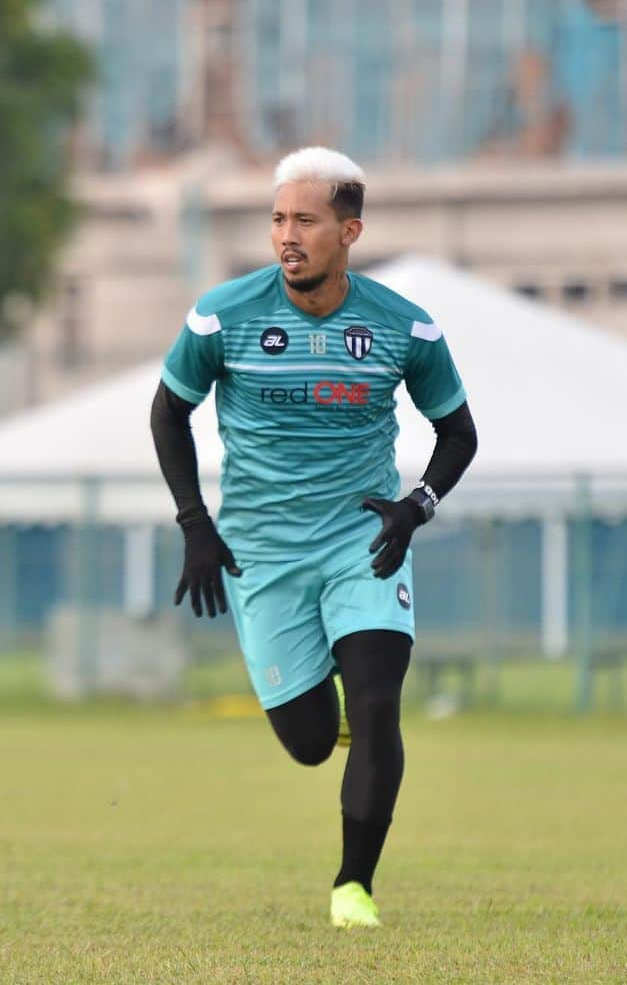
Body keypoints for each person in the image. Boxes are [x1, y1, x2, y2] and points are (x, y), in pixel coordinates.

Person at [149, 147, 478, 928]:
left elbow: (458, 433)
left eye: (305, 220)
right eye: (277, 219)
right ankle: (326, 706)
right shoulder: (221, 315)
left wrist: (417, 505)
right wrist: (196, 524)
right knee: (305, 740)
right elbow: (168, 414)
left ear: (349, 230)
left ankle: (352, 887)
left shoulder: (405, 328)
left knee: (376, 704)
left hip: (361, 541)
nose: (286, 236)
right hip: (261, 553)